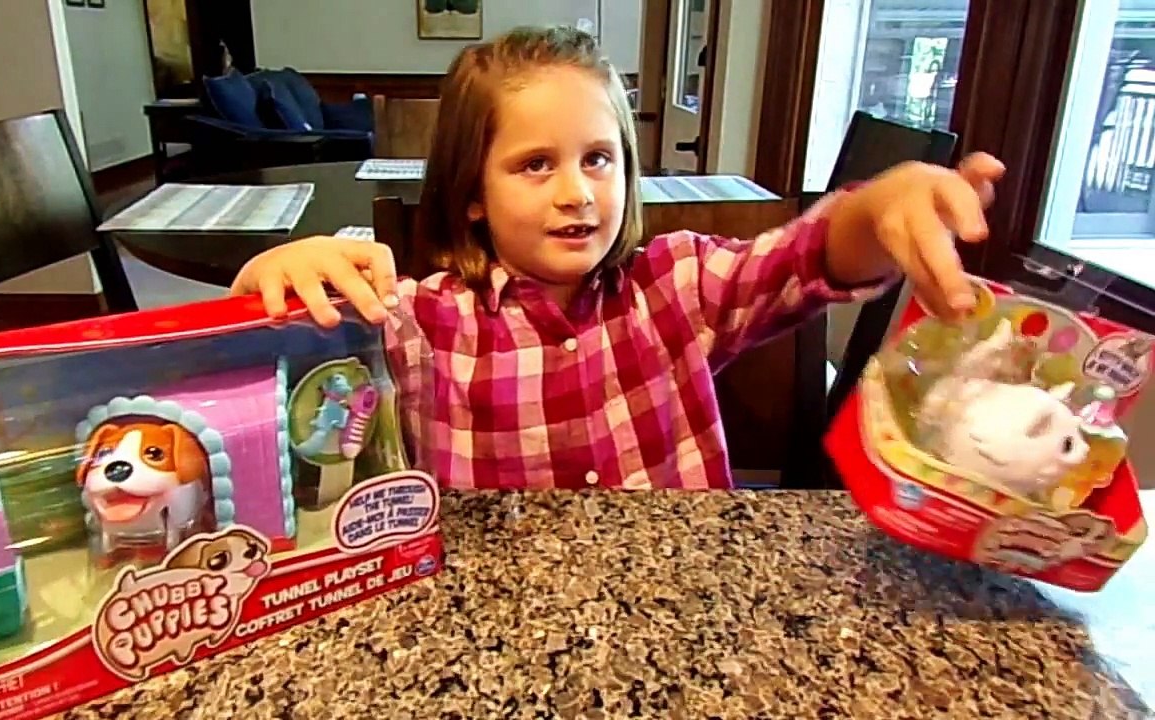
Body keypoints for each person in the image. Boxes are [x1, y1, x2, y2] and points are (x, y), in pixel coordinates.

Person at [229, 26, 1004, 491]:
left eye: (598, 159)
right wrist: (278, 276)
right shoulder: (423, 325)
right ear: (471, 191)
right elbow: (284, 398)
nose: (577, 193)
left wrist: (874, 208)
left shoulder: (677, 287)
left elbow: (803, 258)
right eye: (536, 165)